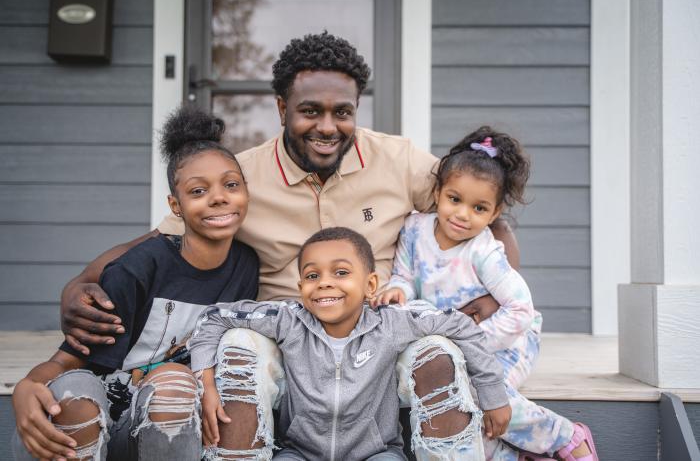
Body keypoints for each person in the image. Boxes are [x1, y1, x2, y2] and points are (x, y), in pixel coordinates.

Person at [58, 32, 519, 457]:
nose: (328, 126)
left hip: (380, 335)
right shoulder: (240, 176)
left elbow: (482, 214)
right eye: (310, 111)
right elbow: (161, 240)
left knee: (437, 351)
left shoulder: (399, 160)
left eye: (342, 112)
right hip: (283, 336)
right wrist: (81, 282)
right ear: (282, 109)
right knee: (239, 345)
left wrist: (490, 297)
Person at [12, 106, 259, 460]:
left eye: (231, 185)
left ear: (247, 193)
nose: (219, 197)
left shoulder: (246, 266)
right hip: (91, 420)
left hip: (163, 421)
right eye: (198, 191)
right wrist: (28, 385)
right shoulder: (138, 269)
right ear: (176, 205)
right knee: (77, 392)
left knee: (175, 381)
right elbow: (68, 360)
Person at [190, 227, 512, 460]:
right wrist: (206, 381)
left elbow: (459, 325)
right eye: (312, 276)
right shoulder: (289, 320)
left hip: (377, 451)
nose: (325, 282)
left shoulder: (391, 323)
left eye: (341, 272)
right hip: (299, 451)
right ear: (300, 286)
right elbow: (215, 317)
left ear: (370, 284)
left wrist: (494, 396)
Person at [374, 127, 598, 461]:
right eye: (455, 199)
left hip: (508, 339)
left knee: (483, 392)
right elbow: (406, 276)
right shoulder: (415, 228)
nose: (463, 215)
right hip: (456, 343)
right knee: (459, 396)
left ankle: (565, 438)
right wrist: (396, 290)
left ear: (494, 213)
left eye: (479, 208)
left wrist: (474, 343)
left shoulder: (485, 252)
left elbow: (520, 310)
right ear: (438, 192)